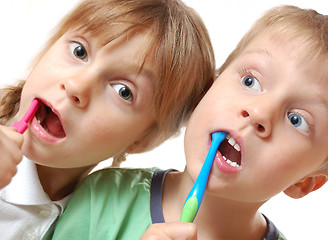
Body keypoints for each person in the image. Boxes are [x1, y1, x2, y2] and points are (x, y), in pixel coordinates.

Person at [50, 4, 328, 240]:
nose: (259, 113)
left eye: (297, 120)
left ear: (304, 182)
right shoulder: (103, 197)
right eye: (251, 82)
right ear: (207, 91)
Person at [0, 0, 215, 239]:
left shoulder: (102, 220)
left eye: (124, 91)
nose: (76, 85)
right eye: (79, 51)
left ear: (144, 140)